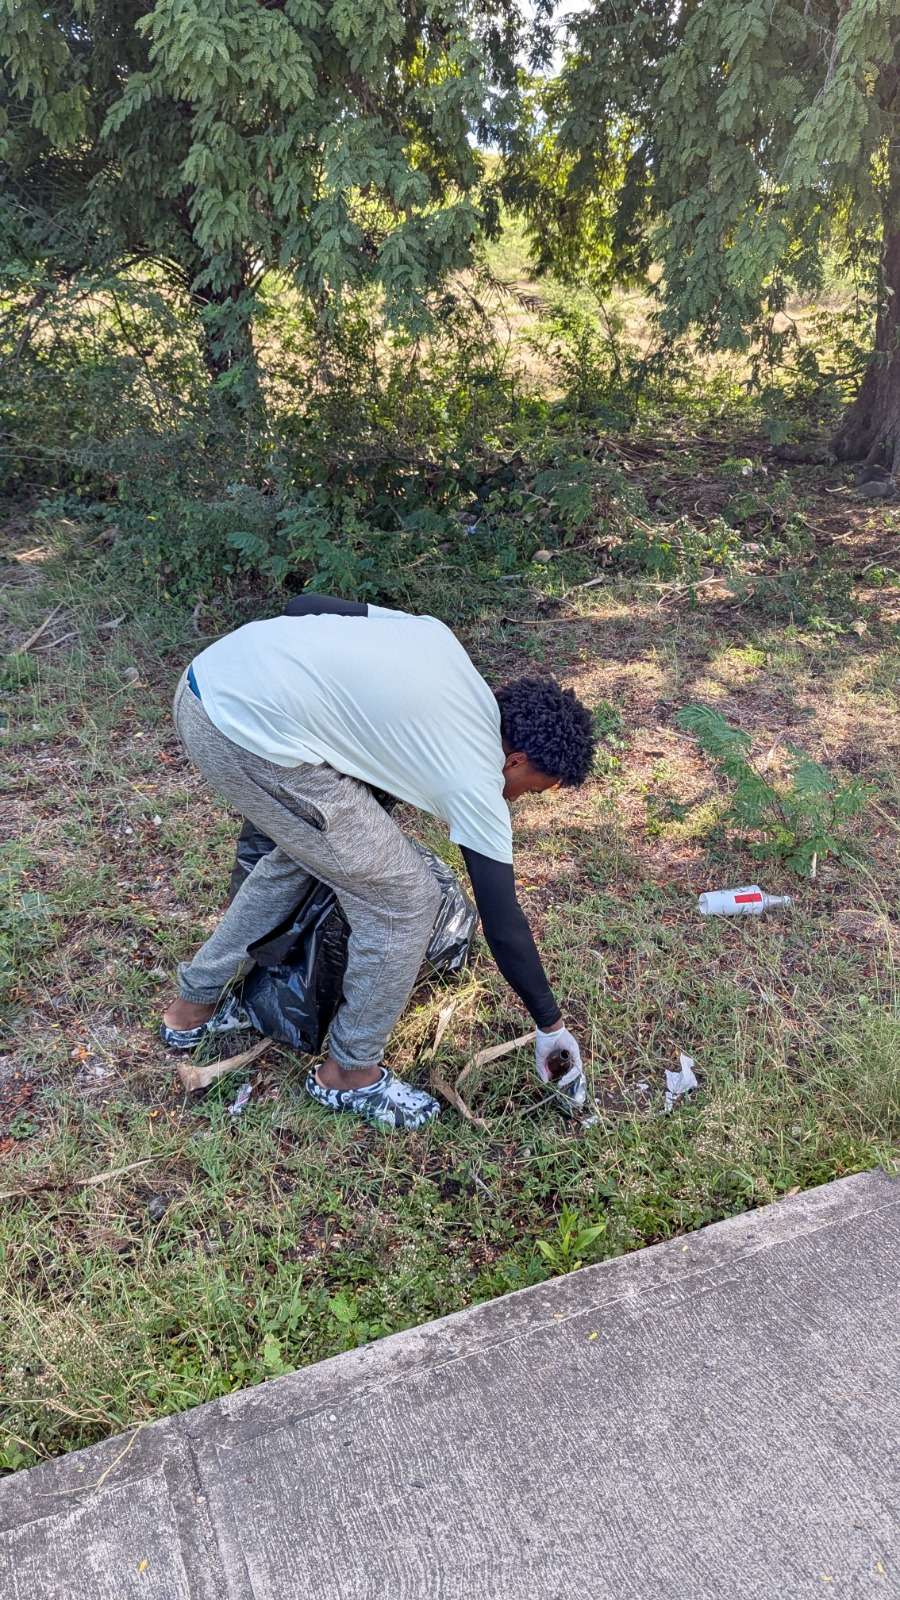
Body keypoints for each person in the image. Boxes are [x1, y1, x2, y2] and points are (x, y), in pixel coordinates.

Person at [160, 594, 596, 1130]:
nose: (519, 799)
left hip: (210, 675)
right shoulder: (475, 778)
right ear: (517, 759)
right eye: (530, 788)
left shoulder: (438, 641)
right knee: (406, 899)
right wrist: (550, 1026)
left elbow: (304, 604)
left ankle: (192, 1009)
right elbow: (504, 926)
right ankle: (348, 1074)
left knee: (305, 857)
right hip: (242, 732)